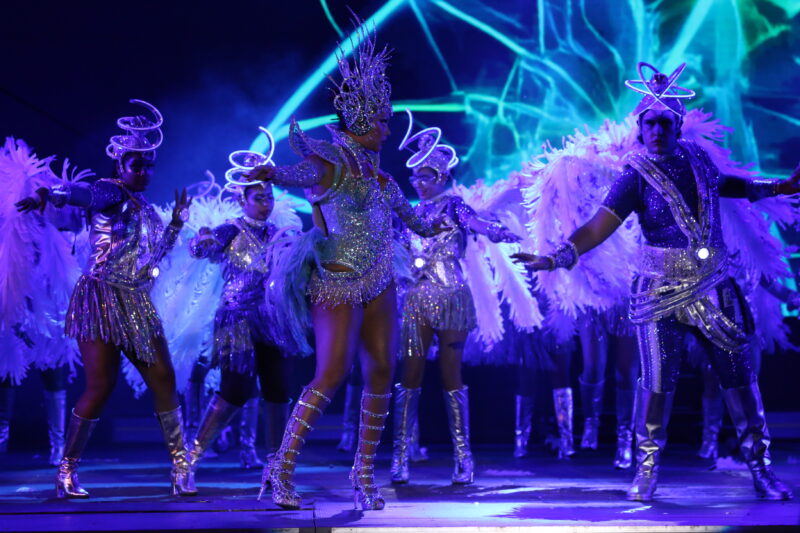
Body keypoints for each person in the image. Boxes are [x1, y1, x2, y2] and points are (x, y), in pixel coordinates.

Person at [513, 63, 798, 501]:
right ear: (640, 127)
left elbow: (729, 186)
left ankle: (761, 469)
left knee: (739, 376)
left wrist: (778, 188)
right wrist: (557, 257)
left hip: (713, 283)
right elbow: (598, 226)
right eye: (650, 122)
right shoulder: (634, 175)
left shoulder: (698, 159)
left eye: (666, 122)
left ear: (678, 125)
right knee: (657, 380)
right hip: (660, 291)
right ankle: (646, 469)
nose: (657, 130)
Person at [247, 23, 441, 511]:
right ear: (360, 119)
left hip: (381, 282)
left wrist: (453, 220)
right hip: (336, 281)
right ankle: (280, 468)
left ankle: (364, 473)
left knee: (382, 372)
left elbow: (418, 223)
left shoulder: (382, 178)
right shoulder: (330, 160)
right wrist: (274, 172)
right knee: (331, 373)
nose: (388, 130)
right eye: (382, 121)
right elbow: (301, 172)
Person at [15, 100, 196, 498]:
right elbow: (80, 193)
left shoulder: (145, 208)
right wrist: (51, 192)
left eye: (149, 166)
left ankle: (181, 469)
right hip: (100, 298)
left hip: (136, 301)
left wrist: (176, 224)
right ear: (120, 165)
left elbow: (154, 257)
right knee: (100, 385)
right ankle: (66, 472)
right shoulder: (108, 190)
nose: (145, 172)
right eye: (137, 165)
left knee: (164, 378)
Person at [390, 112, 519, 485]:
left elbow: (477, 223)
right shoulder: (411, 215)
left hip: (451, 299)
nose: (420, 184)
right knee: (410, 376)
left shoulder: (454, 206)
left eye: (427, 177)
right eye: (416, 178)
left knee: (451, 375)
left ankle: (464, 458)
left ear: (442, 176)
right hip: (416, 300)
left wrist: (497, 231)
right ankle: (400, 455)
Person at [186, 142, 300, 478]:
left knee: (278, 390)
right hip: (236, 321)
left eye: (269, 198)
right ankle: (188, 462)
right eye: (259, 198)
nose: (266, 204)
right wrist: (202, 241)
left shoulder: (278, 234)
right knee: (235, 391)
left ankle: (276, 469)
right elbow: (199, 249)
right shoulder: (230, 230)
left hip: (272, 321)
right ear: (243, 200)